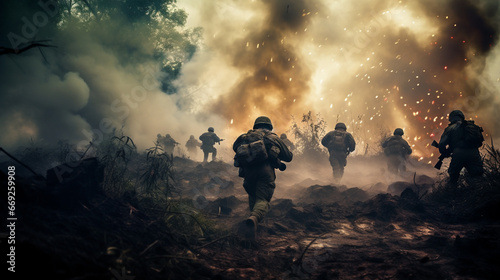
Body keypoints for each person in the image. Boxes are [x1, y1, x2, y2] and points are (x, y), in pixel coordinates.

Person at [233, 116, 293, 241]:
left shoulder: (244, 136)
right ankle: (254, 218)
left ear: (255, 125)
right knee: (263, 199)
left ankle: (252, 229)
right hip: (265, 171)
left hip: (247, 172)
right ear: (269, 126)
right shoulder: (273, 137)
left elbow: (235, 147)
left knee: (253, 196)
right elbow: (288, 157)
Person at [438, 110, 484, 185]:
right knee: (477, 177)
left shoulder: (450, 128)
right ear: (462, 117)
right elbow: (479, 142)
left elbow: (442, 144)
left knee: (453, 178)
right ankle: (480, 194)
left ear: (451, 118)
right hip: (473, 152)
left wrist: (445, 153)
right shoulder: (471, 126)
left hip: (458, 153)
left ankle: (453, 195)